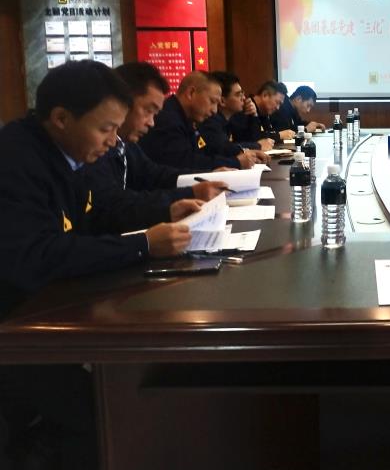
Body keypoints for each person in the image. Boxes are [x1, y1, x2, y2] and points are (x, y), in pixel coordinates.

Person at [0, 61, 196, 470]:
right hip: (18, 325)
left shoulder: (71, 153)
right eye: (106, 128)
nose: (113, 140)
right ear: (61, 118)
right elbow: (38, 255)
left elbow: (102, 211)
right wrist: (143, 246)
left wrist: (166, 209)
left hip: (54, 305)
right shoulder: (16, 161)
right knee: (109, 409)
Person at [83, 62, 228, 208]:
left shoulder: (126, 144)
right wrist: (190, 194)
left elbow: (154, 174)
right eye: (148, 110)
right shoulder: (95, 149)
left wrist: (208, 176)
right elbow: (112, 204)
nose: (152, 123)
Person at [139, 71, 266, 171]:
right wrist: (236, 162)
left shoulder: (188, 118)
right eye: (212, 101)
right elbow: (185, 163)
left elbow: (203, 154)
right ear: (191, 93)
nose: (215, 110)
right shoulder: (168, 119)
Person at [199, 71, 275, 156]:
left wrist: (254, 115)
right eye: (238, 95)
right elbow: (224, 148)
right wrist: (257, 146)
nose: (244, 98)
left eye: (243, 93)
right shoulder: (211, 120)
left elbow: (249, 139)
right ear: (222, 101)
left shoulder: (231, 118)